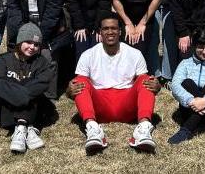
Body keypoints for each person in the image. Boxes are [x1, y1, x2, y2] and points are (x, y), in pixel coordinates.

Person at [66, 14, 161, 155]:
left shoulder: (135, 54)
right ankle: (93, 129)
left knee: (146, 79)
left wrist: (156, 87)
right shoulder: (88, 55)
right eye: (105, 29)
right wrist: (69, 91)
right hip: (100, 106)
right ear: (100, 32)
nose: (110, 32)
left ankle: (143, 129)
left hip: (127, 106)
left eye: (114, 28)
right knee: (79, 80)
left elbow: (145, 85)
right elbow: (75, 88)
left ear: (120, 31)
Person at [0, 23, 54, 154]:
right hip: (9, 104)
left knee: (32, 90)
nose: (32, 47)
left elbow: (43, 82)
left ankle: (20, 127)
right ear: (20, 41)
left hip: (33, 104)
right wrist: (20, 94)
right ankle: (27, 126)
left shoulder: (42, 62)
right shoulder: (4, 59)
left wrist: (19, 92)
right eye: (29, 42)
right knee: (15, 87)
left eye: (36, 44)